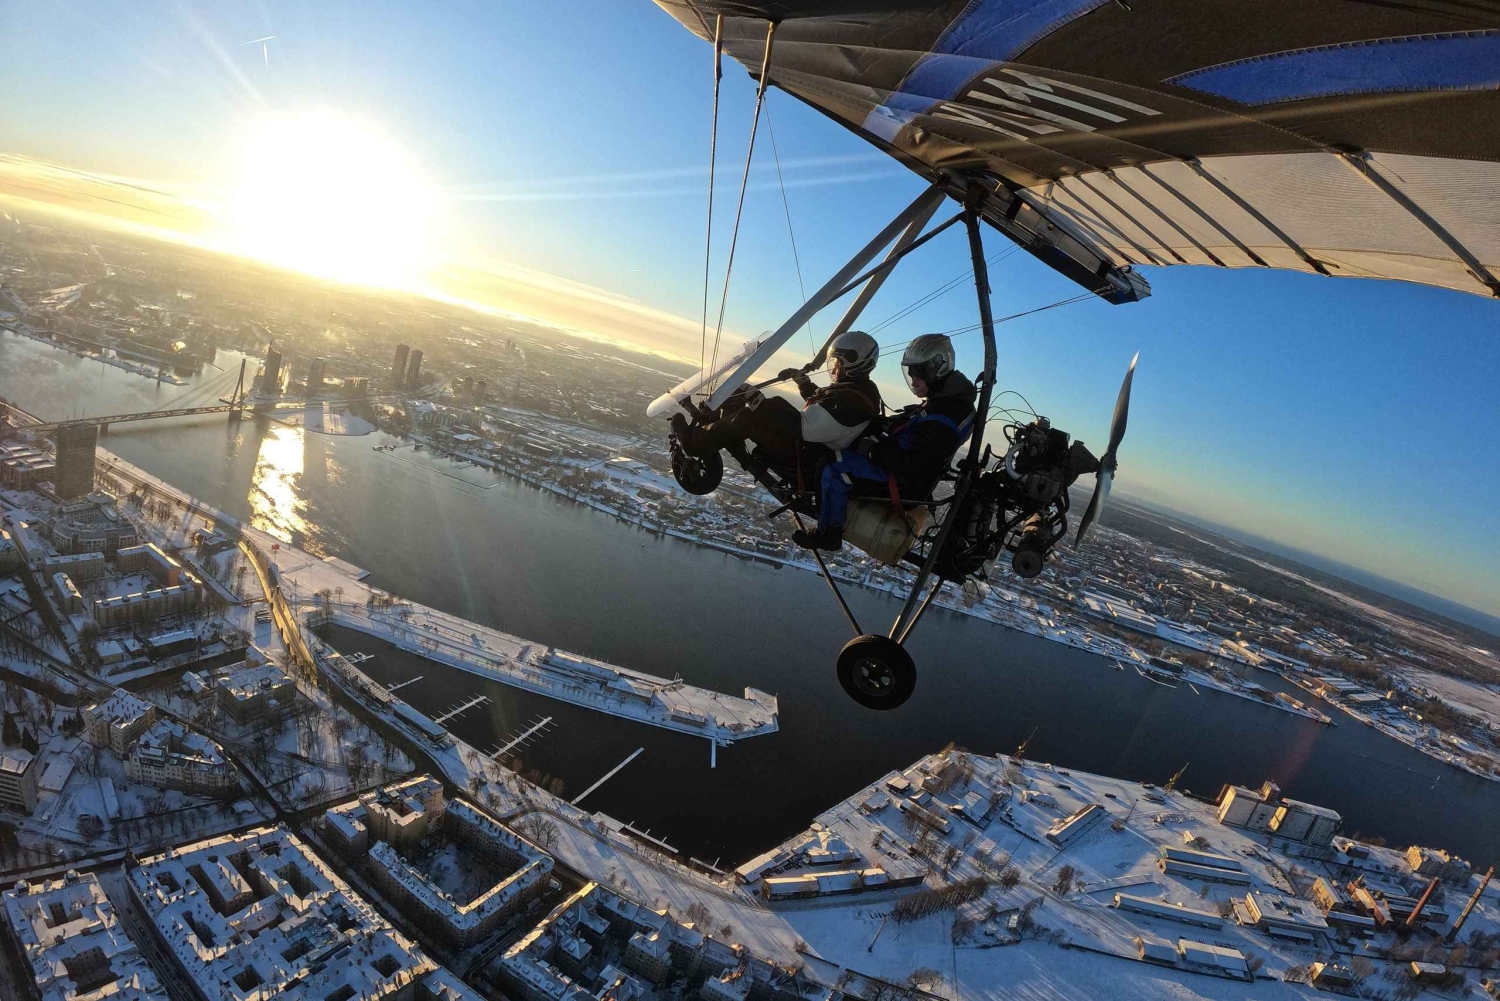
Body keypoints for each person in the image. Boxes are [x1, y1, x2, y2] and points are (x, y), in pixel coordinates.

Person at [792, 333, 975, 552]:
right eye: (911, 373)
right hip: (906, 469)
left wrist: (874, 450)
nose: (914, 381)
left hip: (904, 484)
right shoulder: (951, 401)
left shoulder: (945, 417)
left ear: (939, 367)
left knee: (832, 464)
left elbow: (912, 465)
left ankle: (828, 534)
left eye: (920, 373)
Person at [670, 330, 882, 466]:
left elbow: (803, 426)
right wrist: (803, 382)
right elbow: (826, 409)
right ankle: (712, 425)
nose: (834, 368)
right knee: (775, 403)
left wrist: (755, 399)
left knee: (747, 418)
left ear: (854, 363)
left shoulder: (852, 401)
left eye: (838, 363)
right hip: (812, 447)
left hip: (805, 457)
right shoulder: (858, 390)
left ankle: (694, 444)